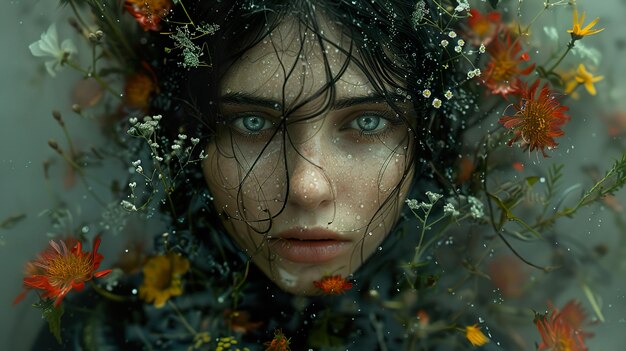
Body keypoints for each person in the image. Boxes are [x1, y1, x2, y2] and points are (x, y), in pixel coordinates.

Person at [29, 0, 479, 349]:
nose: (307, 187)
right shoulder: (99, 339)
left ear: (426, 141)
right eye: (251, 122)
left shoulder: (465, 340)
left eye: (367, 122)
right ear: (186, 138)